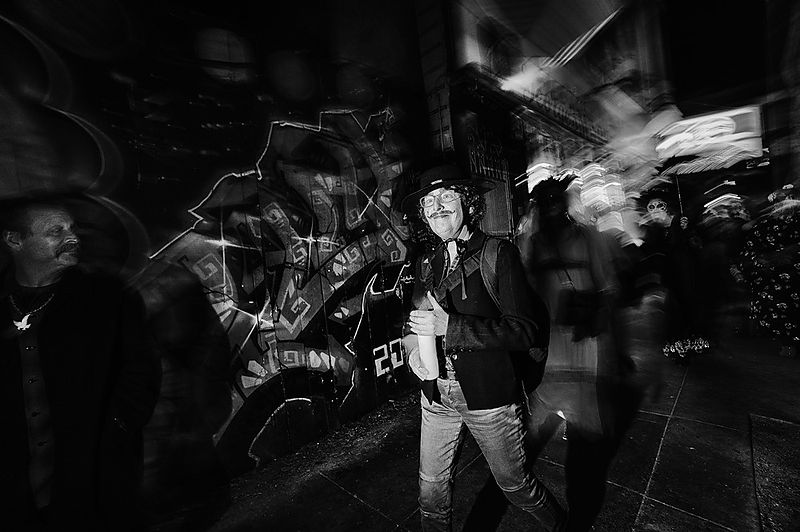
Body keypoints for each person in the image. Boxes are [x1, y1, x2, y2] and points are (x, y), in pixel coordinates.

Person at [400, 163, 565, 532]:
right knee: (430, 491)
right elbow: (414, 321)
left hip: (489, 397)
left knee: (515, 485)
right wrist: (413, 351)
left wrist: (450, 327)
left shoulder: (498, 253)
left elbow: (523, 331)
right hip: (436, 394)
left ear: (466, 202)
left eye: (446, 196)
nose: (437, 207)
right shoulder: (425, 262)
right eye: (428, 202)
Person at [0, 195, 161, 531]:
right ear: (14, 240)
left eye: (72, 228)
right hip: (16, 490)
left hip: (94, 478)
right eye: (55, 231)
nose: (72, 237)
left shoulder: (106, 297)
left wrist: (117, 426)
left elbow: (141, 368)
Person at [519, 177, 640, 531]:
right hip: (547, 362)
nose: (550, 207)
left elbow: (609, 291)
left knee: (584, 460)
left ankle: (578, 521)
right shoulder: (532, 245)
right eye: (544, 201)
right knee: (521, 452)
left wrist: (614, 345)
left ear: (564, 203)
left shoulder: (588, 238)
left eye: (555, 199)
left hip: (586, 358)